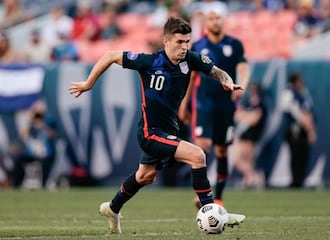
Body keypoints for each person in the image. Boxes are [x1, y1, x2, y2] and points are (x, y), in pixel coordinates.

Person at [69, 16, 245, 234]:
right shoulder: (149, 62)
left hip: (169, 130)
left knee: (145, 176)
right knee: (197, 155)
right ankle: (213, 212)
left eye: (187, 42)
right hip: (150, 132)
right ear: (166, 41)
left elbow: (218, 71)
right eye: (180, 42)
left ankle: (112, 208)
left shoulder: (191, 59)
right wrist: (88, 84)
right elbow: (109, 55)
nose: (184, 47)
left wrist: (226, 80)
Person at [178, 6, 250, 207]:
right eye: (211, 18)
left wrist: (242, 83)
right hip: (204, 104)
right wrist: (184, 104)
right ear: (206, 23)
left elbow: (243, 67)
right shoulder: (198, 46)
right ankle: (202, 195)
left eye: (218, 18)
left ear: (223, 21)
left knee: (221, 151)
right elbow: (192, 77)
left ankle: (218, 197)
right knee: (202, 146)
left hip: (226, 105)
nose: (215, 21)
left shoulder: (234, 44)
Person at [281, 72, 317, 188]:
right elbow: (300, 114)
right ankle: (296, 181)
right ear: (295, 82)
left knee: (302, 156)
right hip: (295, 129)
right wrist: (310, 130)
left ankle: (299, 180)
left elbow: (308, 112)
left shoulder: (303, 93)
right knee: (296, 155)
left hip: (301, 129)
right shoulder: (289, 94)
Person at [11, 101, 57, 188]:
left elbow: (53, 135)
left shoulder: (49, 120)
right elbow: (22, 134)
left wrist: (43, 126)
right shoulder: (31, 122)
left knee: (45, 164)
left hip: (46, 154)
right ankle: (17, 185)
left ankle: (43, 185)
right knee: (18, 160)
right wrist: (29, 121)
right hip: (33, 153)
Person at [232, 82, 267, 189]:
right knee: (246, 160)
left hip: (250, 136)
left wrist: (245, 116)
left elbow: (253, 120)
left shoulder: (260, 105)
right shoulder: (249, 104)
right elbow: (237, 115)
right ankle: (250, 178)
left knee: (241, 159)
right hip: (245, 136)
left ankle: (253, 177)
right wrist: (247, 116)